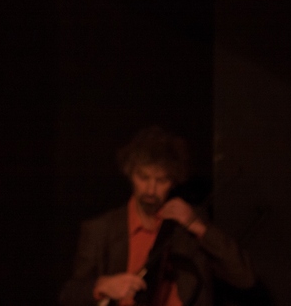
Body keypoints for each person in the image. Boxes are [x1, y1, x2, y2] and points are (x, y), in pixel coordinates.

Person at [59, 126, 256, 306]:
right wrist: (102, 285)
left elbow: (244, 277)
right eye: (143, 177)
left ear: (174, 181)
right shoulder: (101, 229)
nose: (151, 190)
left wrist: (198, 227)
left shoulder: (188, 223)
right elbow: (69, 296)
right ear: (130, 173)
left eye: (161, 180)